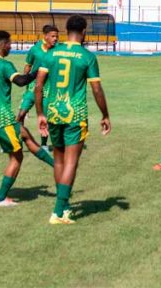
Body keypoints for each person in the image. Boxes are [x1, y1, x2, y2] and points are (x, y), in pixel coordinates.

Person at [34, 15, 111, 225]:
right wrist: (105, 115)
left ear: (66, 30)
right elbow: (96, 88)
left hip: (52, 112)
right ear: (84, 31)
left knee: (59, 160)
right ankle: (58, 211)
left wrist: (40, 114)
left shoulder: (50, 53)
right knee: (71, 162)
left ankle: (65, 206)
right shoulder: (87, 56)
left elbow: (38, 86)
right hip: (74, 115)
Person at [0, 31, 55, 206]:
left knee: (25, 134)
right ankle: (0, 198)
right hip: (1, 118)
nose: (11, 47)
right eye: (10, 44)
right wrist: (40, 70)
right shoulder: (3, 65)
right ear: (3, 45)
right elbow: (22, 81)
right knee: (17, 157)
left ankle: (56, 166)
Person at [18, 25, 58, 149]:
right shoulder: (35, 50)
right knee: (21, 115)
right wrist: (25, 81)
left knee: (45, 117)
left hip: (48, 89)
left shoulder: (57, 51)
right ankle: (15, 142)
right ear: (45, 36)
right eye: (53, 36)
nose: (56, 39)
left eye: (57, 36)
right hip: (32, 88)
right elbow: (28, 66)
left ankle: (44, 144)